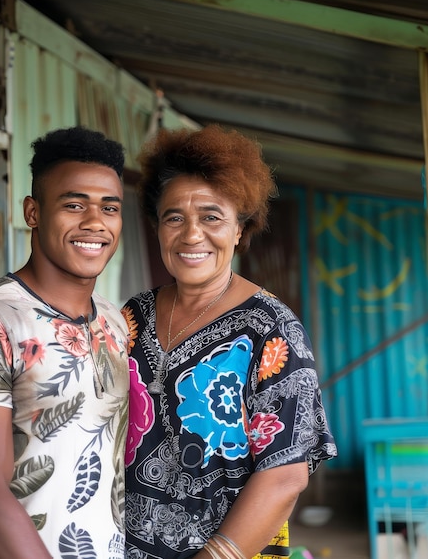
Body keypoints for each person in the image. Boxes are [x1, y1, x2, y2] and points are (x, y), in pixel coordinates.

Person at [122, 124, 337, 559]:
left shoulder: (271, 328)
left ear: (239, 229)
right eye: (174, 217)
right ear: (157, 227)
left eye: (211, 216)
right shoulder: (132, 316)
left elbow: (285, 475)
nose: (191, 234)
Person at [0, 127, 130, 559]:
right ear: (33, 212)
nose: (95, 222)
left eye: (109, 208)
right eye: (74, 205)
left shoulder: (113, 320)